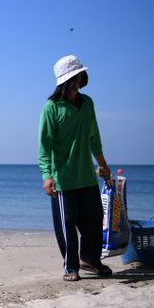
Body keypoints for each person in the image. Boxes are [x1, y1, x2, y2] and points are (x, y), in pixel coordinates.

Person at [39, 55, 113, 282]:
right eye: (79, 74)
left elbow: (94, 137)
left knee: (93, 221)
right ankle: (70, 267)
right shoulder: (52, 108)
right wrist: (47, 175)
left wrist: (103, 164)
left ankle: (90, 260)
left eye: (82, 74)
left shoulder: (87, 103)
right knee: (67, 225)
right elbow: (45, 145)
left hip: (87, 177)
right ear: (69, 78)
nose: (83, 78)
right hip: (63, 180)